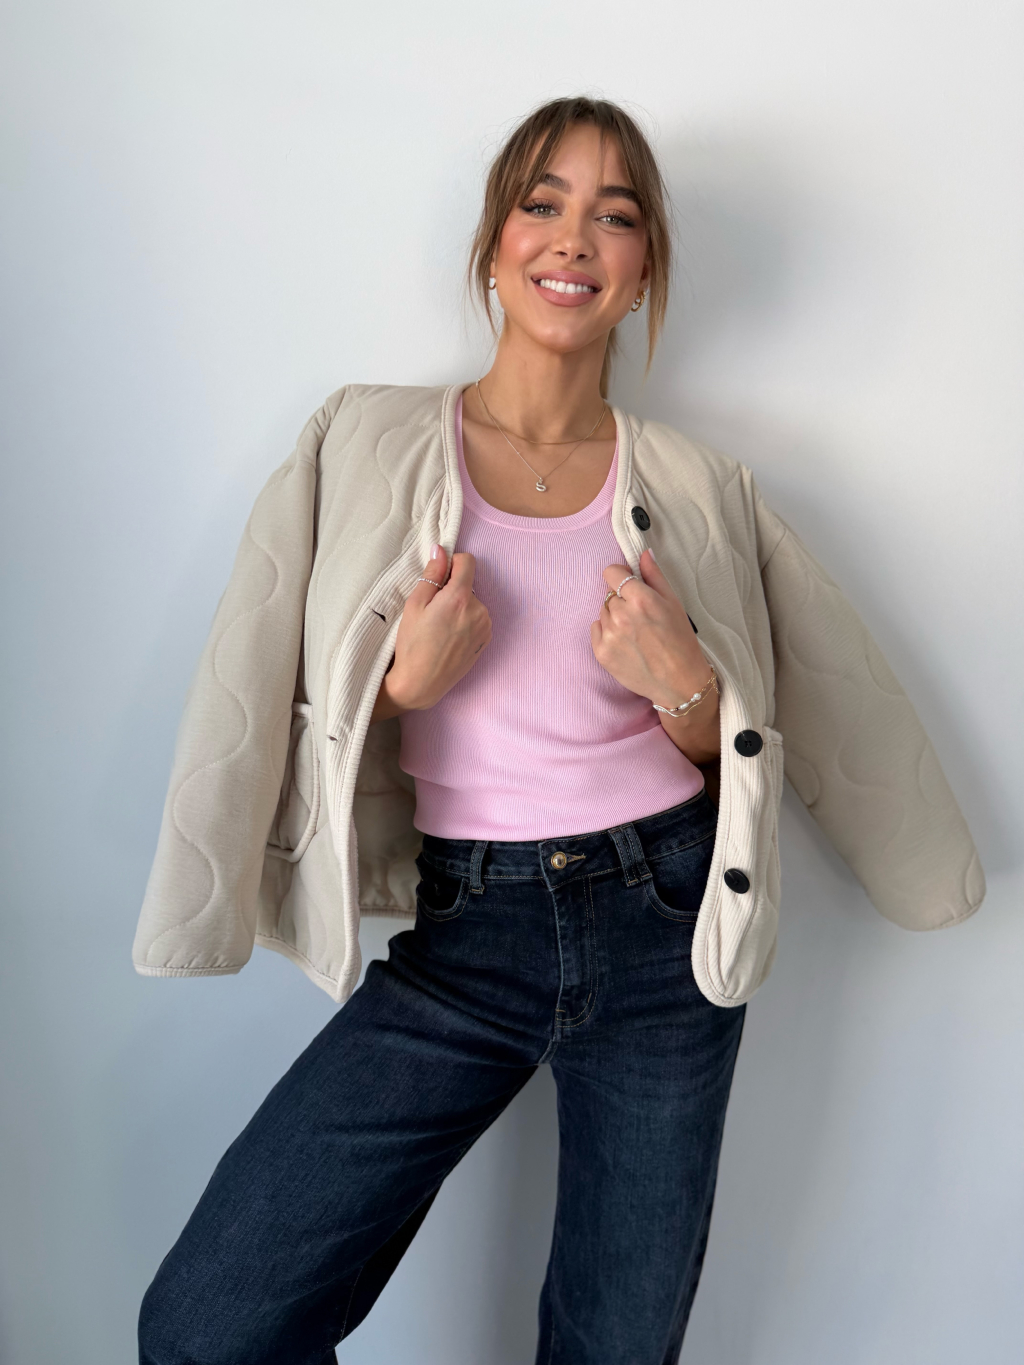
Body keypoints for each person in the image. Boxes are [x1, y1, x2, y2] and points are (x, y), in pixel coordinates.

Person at [134, 97, 984, 1365]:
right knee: (207, 1324)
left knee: (614, 1347)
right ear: (495, 243)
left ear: (641, 274)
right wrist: (399, 689)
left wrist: (686, 688)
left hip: (667, 930)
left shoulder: (701, 484)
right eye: (543, 202)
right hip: (464, 934)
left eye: (615, 215)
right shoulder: (356, 439)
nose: (574, 235)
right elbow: (248, 672)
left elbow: (808, 699)